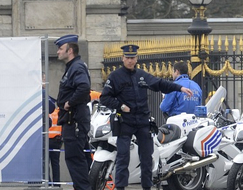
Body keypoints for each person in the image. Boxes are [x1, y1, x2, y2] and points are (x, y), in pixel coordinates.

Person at [100, 44, 194, 190]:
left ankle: (147, 187)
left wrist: (179, 88)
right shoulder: (114, 77)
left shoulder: (142, 75)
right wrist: (120, 106)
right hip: (125, 122)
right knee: (123, 157)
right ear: (123, 58)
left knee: (146, 157)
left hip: (143, 121)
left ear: (136, 59)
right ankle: (120, 187)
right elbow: (104, 98)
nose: (130, 61)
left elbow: (160, 84)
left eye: (133, 58)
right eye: (127, 58)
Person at [55, 34, 92, 190]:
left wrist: (70, 102)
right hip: (74, 120)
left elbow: (84, 88)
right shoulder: (73, 67)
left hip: (74, 120)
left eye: (61, 48)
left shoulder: (76, 67)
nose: (57, 52)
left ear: (70, 50)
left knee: (75, 159)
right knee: (81, 159)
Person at [43, 73, 62, 187]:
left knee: (49, 164)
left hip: (51, 139)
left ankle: (53, 184)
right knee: (52, 164)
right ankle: (54, 184)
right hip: (51, 139)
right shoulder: (54, 106)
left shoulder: (51, 105)